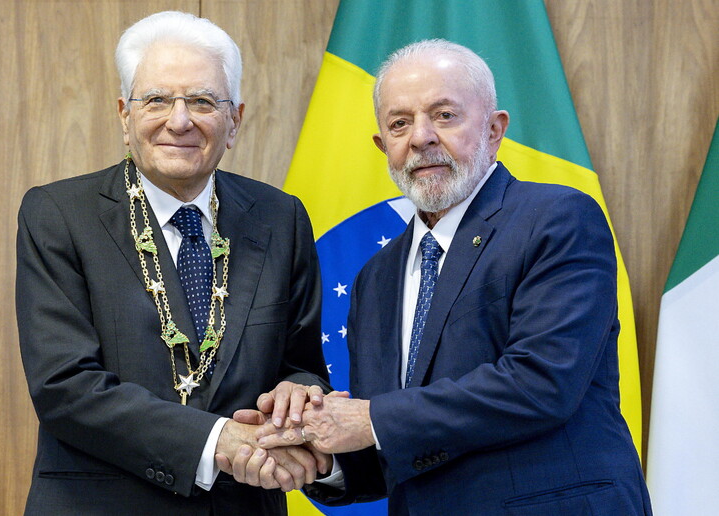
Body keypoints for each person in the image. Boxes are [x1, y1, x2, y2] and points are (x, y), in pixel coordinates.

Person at [235, 39, 653, 515]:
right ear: (382, 146)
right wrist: (320, 454)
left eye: (445, 115)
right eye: (399, 124)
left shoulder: (558, 218)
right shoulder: (376, 278)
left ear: (495, 129)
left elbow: (542, 383)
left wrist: (367, 418)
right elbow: (398, 446)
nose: (421, 137)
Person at [15, 11, 330, 515]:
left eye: (203, 101)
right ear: (124, 115)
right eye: (157, 99)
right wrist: (216, 441)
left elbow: (303, 364)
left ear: (235, 121)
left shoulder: (281, 218)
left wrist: (298, 394)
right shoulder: (59, 215)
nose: (179, 120)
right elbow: (64, 386)